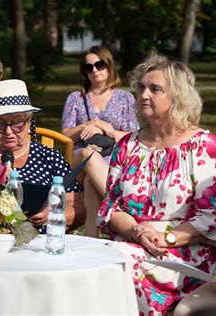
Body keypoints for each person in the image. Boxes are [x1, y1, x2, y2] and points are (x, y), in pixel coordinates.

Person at [97, 52, 216, 315]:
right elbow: (112, 208)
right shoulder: (127, 145)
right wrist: (137, 232)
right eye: (141, 87)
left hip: (185, 254)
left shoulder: (202, 147)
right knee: (97, 264)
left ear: (178, 97)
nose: (144, 94)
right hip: (131, 244)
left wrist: (165, 238)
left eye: (155, 89)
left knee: (116, 270)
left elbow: (213, 216)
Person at [0, 79, 86, 233]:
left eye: (17, 123)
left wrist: (52, 215)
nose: (8, 132)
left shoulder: (49, 158)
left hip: (35, 248)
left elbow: (79, 209)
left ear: (29, 121)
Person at [61, 46, 138, 237]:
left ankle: (91, 243)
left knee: (90, 183)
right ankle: (119, 204)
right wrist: (88, 124)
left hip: (113, 161)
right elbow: (65, 137)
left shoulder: (125, 98)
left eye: (99, 65)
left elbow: (133, 136)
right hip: (79, 159)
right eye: (89, 67)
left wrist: (107, 128)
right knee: (88, 154)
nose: (94, 70)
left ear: (109, 66)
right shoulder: (76, 98)